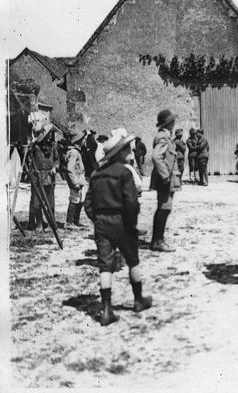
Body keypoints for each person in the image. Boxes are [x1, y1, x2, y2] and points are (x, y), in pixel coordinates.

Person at [84, 131, 152, 326]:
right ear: (118, 153)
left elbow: (88, 203)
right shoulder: (124, 172)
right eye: (124, 150)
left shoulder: (96, 174)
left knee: (105, 266)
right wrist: (131, 223)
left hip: (102, 224)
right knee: (132, 261)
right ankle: (138, 301)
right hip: (122, 221)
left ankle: (106, 310)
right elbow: (131, 202)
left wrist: (97, 220)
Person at [149, 109, 181, 252]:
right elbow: (156, 156)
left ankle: (157, 240)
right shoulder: (163, 137)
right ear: (170, 123)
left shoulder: (166, 136)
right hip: (166, 179)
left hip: (167, 177)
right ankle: (158, 241)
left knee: (164, 208)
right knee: (164, 208)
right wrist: (165, 175)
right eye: (173, 121)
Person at [28, 124, 59, 230]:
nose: (50, 136)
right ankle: (39, 224)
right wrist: (32, 141)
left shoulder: (53, 146)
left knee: (50, 203)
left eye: (50, 134)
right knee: (37, 202)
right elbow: (27, 154)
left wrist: (55, 167)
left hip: (50, 177)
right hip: (38, 176)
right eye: (48, 134)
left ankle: (51, 224)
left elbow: (57, 159)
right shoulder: (35, 146)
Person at [64, 128, 88, 228]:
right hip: (76, 181)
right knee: (74, 199)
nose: (84, 141)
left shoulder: (77, 152)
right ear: (78, 141)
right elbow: (70, 169)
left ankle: (75, 220)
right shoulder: (73, 152)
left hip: (80, 179)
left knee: (80, 200)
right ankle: (69, 222)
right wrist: (75, 183)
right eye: (83, 139)